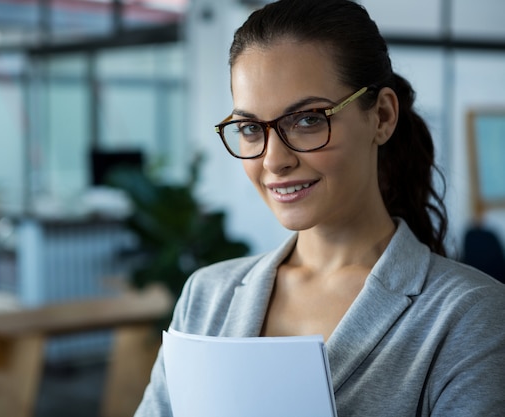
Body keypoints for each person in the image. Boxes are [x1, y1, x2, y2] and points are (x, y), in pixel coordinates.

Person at [134, 0, 505, 416]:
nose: (274, 161)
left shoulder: (469, 315)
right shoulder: (207, 296)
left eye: (308, 120)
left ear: (382, 116)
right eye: (252, 128)